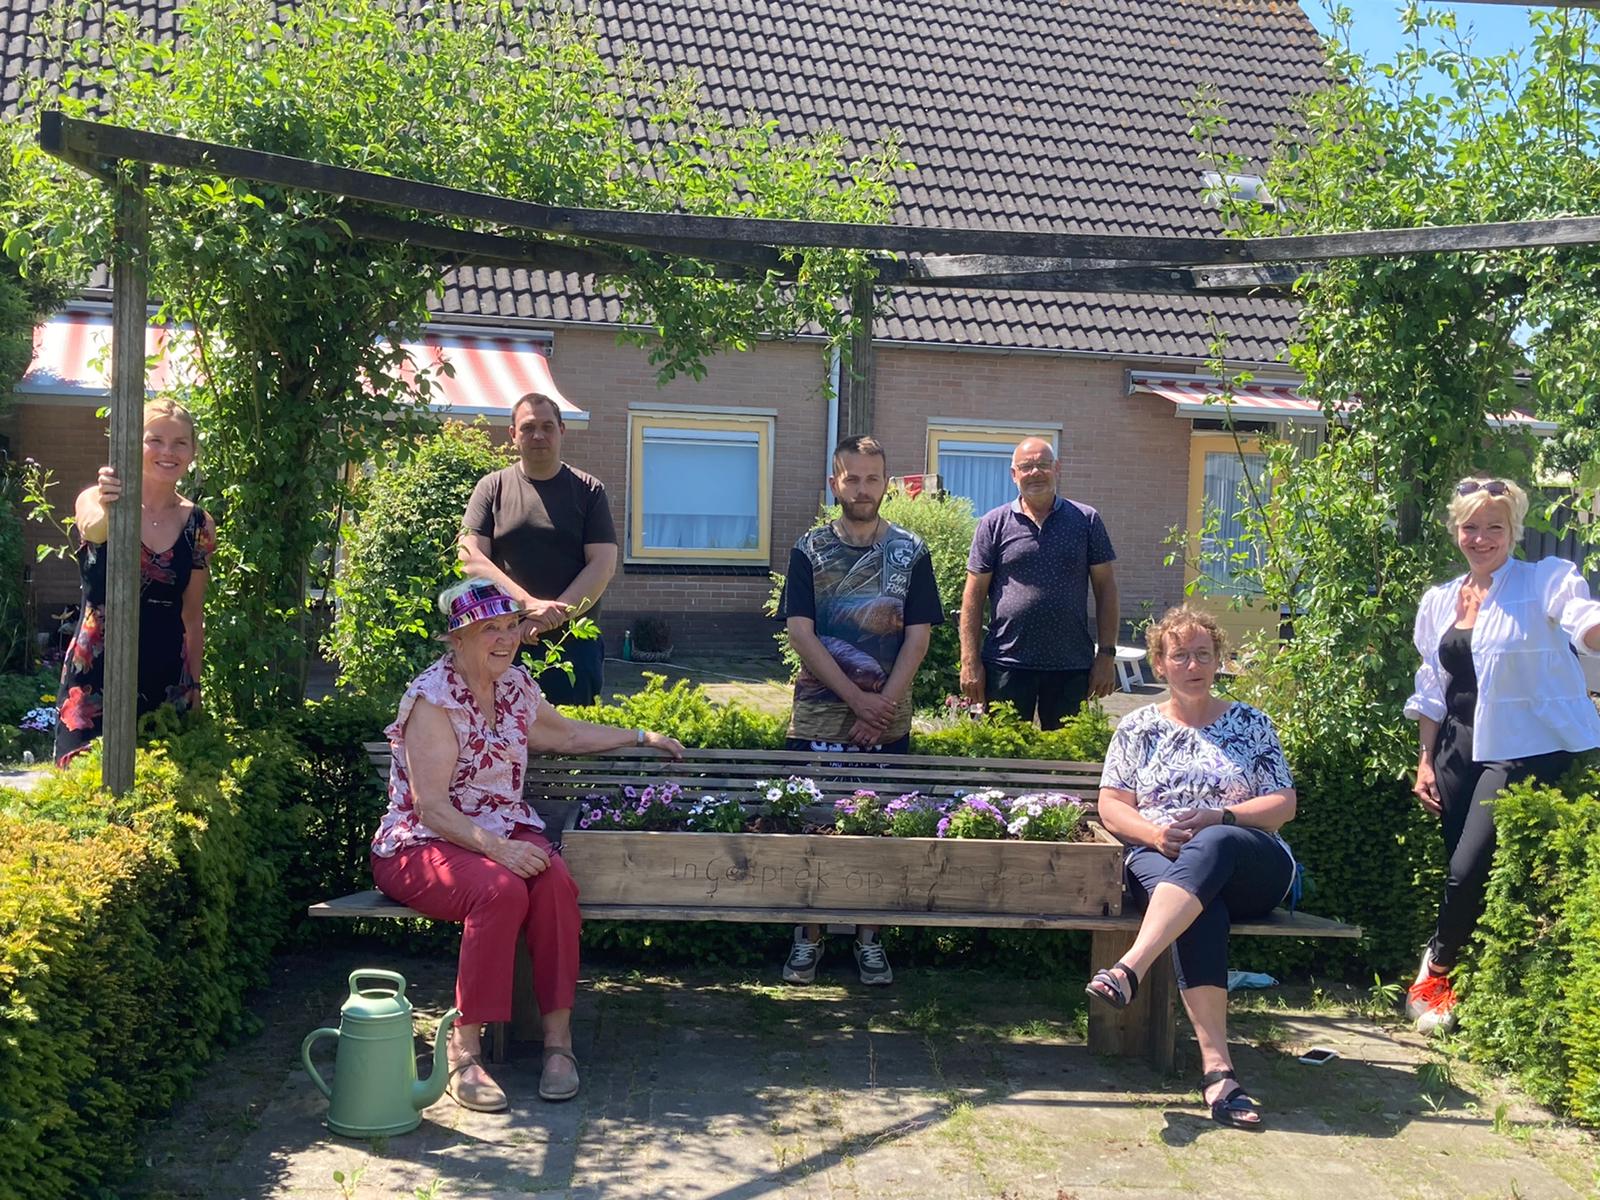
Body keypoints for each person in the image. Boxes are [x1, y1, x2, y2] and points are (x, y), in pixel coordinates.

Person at [370, 577, 684, 1111]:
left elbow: (564, 735)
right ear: (457, 638)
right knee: (500, 891)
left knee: (556, 884)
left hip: (500, 834)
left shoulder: (514, 686)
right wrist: (500, 850)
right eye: (488, 628)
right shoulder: (433, 699)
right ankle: (463, 1052)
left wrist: (638, 736)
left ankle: (557, 1044)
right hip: (420, 845)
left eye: (511, 625)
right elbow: (432, 809)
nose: (505, 638)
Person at [1086, 605, 1296, 1131]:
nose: (1194, 664)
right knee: (1200, 908)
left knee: (1217, 840)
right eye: (1181, 655)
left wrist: (1221, 816)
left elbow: (1283, 805)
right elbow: (1112, 806)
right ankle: (1219, 1074)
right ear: (1161, 664)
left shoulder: (1251, 723)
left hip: (1252, 862)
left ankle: (1129, 969)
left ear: (1218, 660)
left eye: (1204, 654)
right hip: (1161, 858)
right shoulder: (1136, 728)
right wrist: (1155, 833)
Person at [1403, 477, 1600, 1033]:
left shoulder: (1545, 580)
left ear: (1513, 531)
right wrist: (1425, 759)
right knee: (1464, 870)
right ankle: (1470, 985)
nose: (1481, 537)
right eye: (1470, 526)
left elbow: (1582, 618)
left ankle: (1433, 975)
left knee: (1468, 869)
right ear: (1455, 531)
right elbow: (1431, 685)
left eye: (1494, 527)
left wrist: (1594, 628)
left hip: (1523, 746)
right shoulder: (1440, 600)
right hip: (1456, 747)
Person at [777, 435, 944, 986]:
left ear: (887, 485)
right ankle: (810, 937)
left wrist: (883, 706)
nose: (863, 489)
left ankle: (871, 940)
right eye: (852, 478)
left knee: (879, 832)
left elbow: (917, 639)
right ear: (835, 484)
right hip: (820, 717)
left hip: (886, 723)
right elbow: (801, 633)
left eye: (873, 478)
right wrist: (857, 701)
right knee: (814, 829)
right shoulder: (809, 549)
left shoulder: (910, 552)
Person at [54, 399, 216, 765]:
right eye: (155, 440)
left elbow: (192, 616)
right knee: (85, 787)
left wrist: (195, 685)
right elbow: (93, 530)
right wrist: (114, 505)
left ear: (192, 452)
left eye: (180, 443)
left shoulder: (199, 524)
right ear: (133, 445)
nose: (168, 452)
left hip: (165, 676)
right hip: (95, 674)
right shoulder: (96, 499)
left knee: (160, 796)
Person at [459, 391, 618, 705]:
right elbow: (469, 557)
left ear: (561, 430)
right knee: (499, 738)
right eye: (528, 427)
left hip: (572, 645)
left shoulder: (589, 490)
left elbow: (603, 565)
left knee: (573, 739)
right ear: (513, 435)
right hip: (501, 642)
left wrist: (550, 618)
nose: (538, 435)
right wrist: (528, 605)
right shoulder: (492, 488)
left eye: (547, 426)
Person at [959, 437, 1119, 730]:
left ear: (1057, 469)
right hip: (1006, 663)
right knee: (1004, 760)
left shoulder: (1086, 520)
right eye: (1026, 466)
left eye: (1042, 465)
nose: (1035, 472)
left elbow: (1106, 590)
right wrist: (969, 660)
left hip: (1070, 665)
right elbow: (973, 595)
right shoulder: (993, 524)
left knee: (1067, 757)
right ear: (1014, 474)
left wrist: (1106, 656)